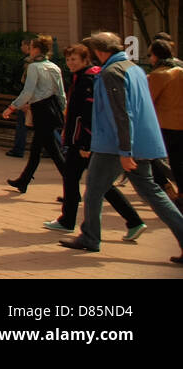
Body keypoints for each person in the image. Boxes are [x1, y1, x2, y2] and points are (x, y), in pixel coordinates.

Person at [59, 31, 183, 265]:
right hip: (138, 142)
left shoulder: (111, 73)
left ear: (100, 51)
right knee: (152, 193)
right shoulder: (134, 69)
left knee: (94, 190)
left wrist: (126, 152)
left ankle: (90, 237)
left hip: (115, 145)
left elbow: (121, 113)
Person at [44, 43, 145, 238]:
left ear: (85, 59)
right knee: (100, 183)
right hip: (83, 139)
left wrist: (84, 142)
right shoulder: (82, 77)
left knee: (78, 179)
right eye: (68, 59)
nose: (70, 63)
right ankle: (133, 220)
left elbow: (89, 113)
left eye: (74, 59)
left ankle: (68, 220)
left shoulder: (88, 79)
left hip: (84, 141)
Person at [3, 34, 67, 194]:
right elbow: (61, 93)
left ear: (36, 49)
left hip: (40, 109)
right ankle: (23, 180)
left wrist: (12, 107)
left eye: (31, 47)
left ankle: (72, 187)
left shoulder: (34, 67)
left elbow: (28, 91)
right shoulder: (54, 67)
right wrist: (64, 110)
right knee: (37, 149)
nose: (29, 51)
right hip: (51, 108)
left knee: (54, 152)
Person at [148, 40, 183, 200]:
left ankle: (168, 191)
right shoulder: (180, 70)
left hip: (164, 125)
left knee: (152, 159)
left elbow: (149, 100)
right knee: (177, 162)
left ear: (155, 55)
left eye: (150, 55)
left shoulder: (159, 74)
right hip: (179, 124)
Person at [7, 37, 35, 158]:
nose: (21, 47)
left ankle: (18, 149)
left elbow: (26, 85)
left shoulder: (29, 64)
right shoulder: (38, 64)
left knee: (22, 124)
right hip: (32, 97)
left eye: (23, 45)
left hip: (28, 97)